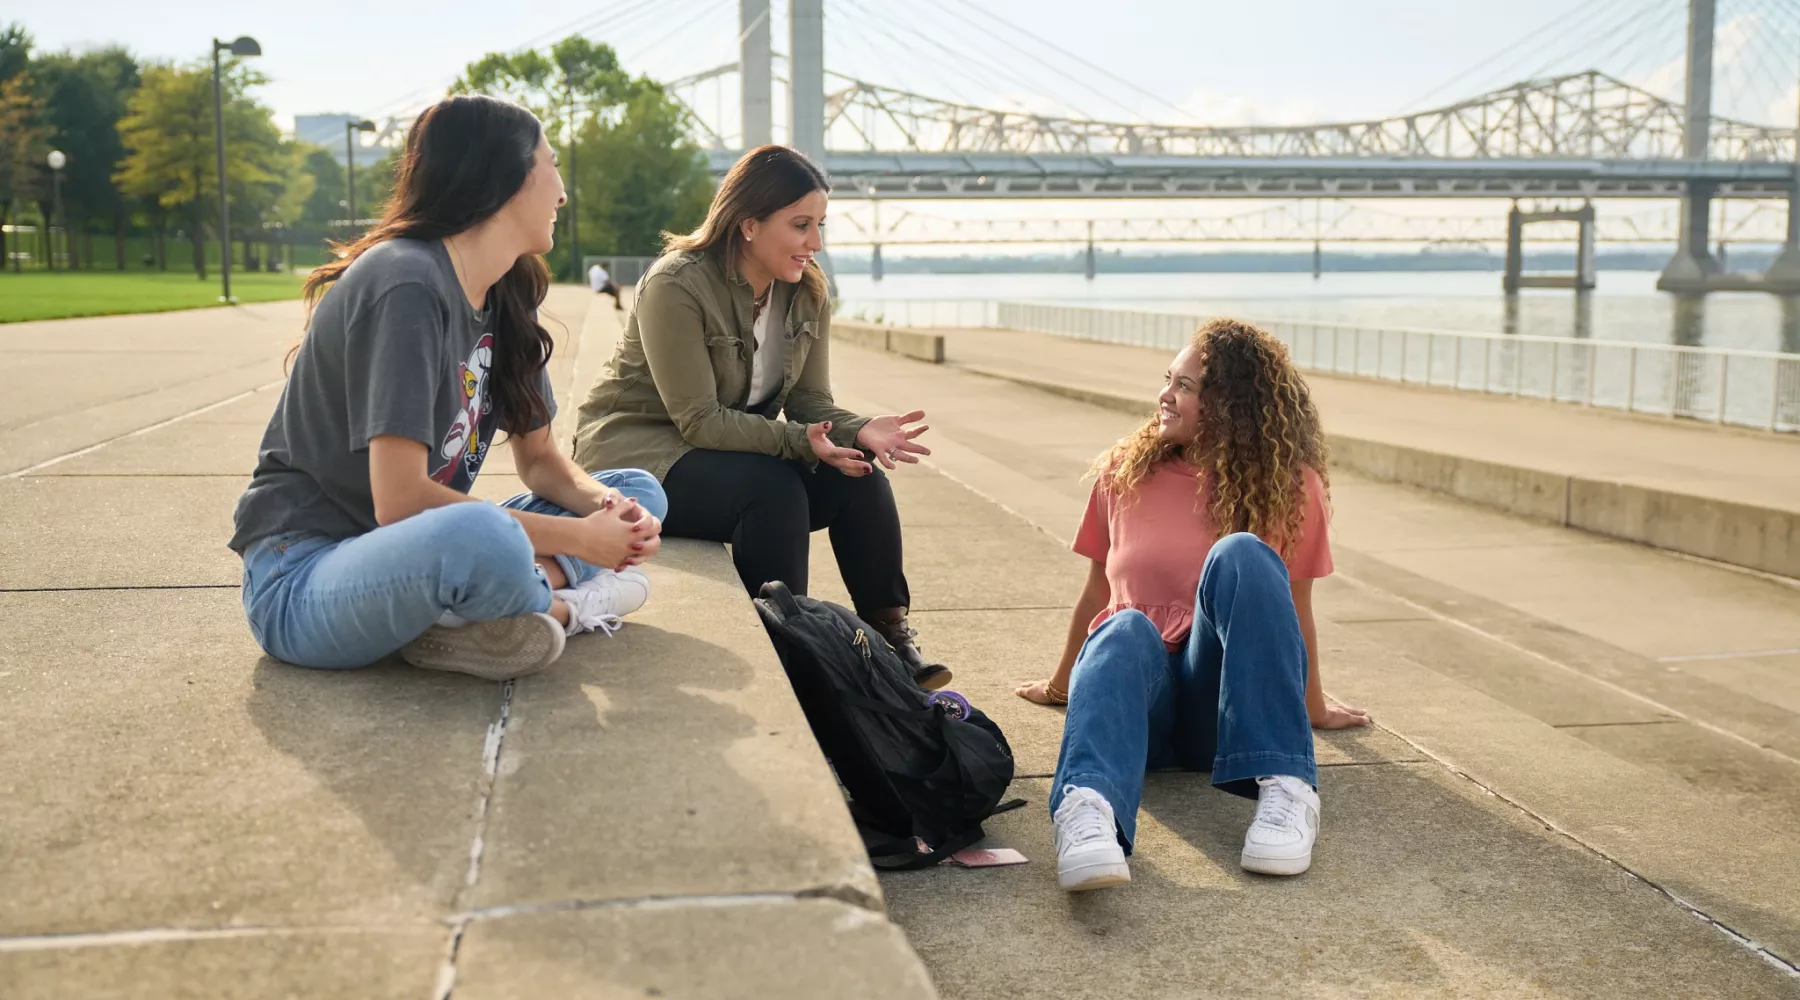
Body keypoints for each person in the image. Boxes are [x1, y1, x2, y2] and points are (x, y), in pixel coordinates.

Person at [229, 94, 666, 682]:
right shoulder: (405, 281)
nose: (563, 192)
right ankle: (565, 606)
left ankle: (477, 612)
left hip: (416, 552)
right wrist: (582, 542)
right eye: (552, 165)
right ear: (505, 177)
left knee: (638, 490)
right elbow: (401, 502)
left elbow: (541, 463)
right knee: (484, 534)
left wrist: (610, 516)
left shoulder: (507, 291)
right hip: (304, 577)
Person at [572, 144, 951, 689]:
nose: (815, 244)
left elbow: (810, 405)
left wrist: (858, 429)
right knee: (771, 489)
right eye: (800, 225)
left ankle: (893, 641)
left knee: (858, 473)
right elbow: (699, 420)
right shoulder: (676, 284)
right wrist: (800, 441)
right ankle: (792, 654)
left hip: (720, 451)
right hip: (637, 456)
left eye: (820, 224)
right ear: (748, 223)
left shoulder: (807, 292)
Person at [1015, 318, 1372, 891]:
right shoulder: (1123, 474)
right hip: (1140, 711)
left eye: (1185, 386)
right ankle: (1087, 812)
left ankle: (1287, 785)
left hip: (1222, 717)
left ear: (1233, 405)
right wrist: (1062, 686)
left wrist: (1312, 706)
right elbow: (1094, 596)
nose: (1164, 396)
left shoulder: (1290, 486)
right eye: (1168, 380)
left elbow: (1292, 612)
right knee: (1124, 625)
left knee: (1245, 556)